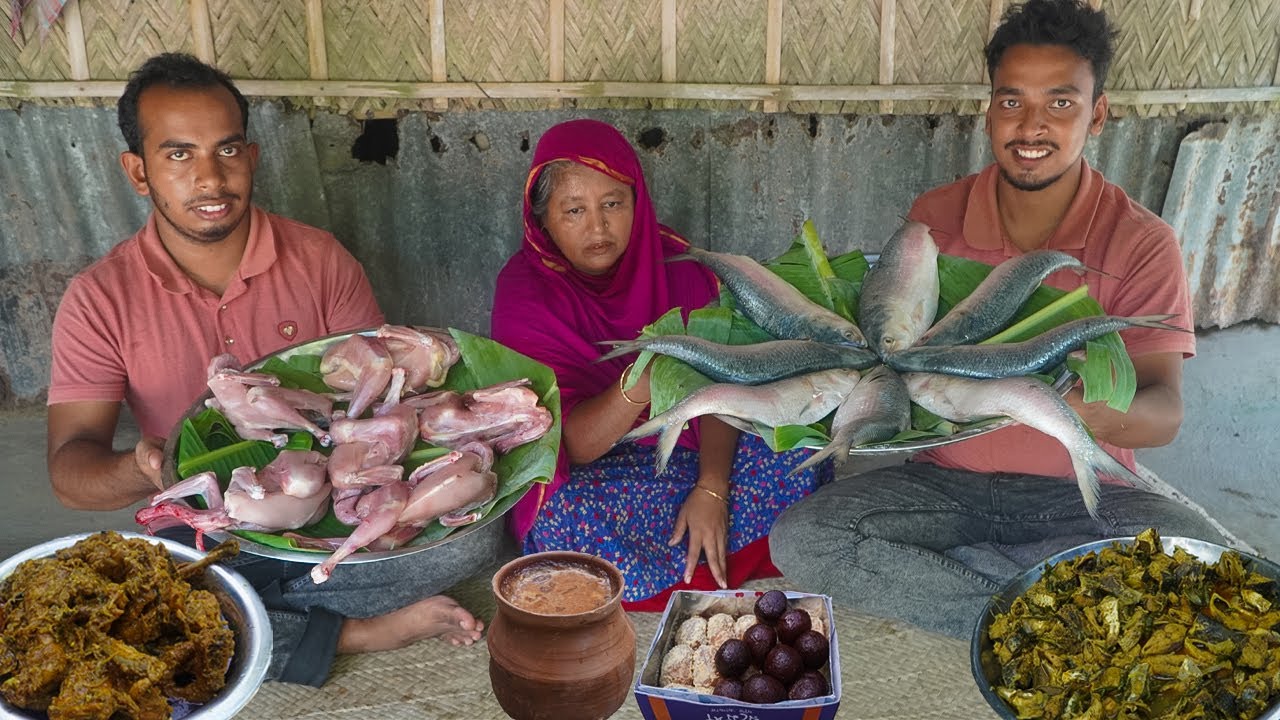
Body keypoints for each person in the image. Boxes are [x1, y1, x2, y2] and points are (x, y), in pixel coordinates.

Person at [770, 0, 1231, 638]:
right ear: (989, 110)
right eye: (1012, 101)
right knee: (805, 538)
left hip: (1080, 497)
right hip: (942, 488)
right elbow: (893, 347)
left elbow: (1164, 412)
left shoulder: (1142, 241)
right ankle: (1047, 615)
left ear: (1097, 114)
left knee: (1209, 567)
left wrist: (1066, 406)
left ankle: (994, 594)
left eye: (1061, 103)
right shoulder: (936, 216)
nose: (1031, 126)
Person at [45, 52, 503, 685]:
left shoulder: (320, 260)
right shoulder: (99, 297)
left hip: (333, 512)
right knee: (130, 611)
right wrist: (144, 466)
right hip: (208, 528)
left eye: (227, 150)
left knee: (478, 538)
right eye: (179, 154)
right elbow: (71, 473)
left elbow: (380, 402)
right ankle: (357, 631)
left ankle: (265, 624)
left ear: (252, 156)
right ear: (138, 171)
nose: (211, 177)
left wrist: (385, 450)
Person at [490, 119, 832, 610]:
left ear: (638, 201)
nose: (598, 228)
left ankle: (701, 538)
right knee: (563, 519)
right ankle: (710, 557)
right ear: (542, 218)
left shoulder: (678, 264)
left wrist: (711, 487)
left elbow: (724, 385)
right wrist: (645, 379)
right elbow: (570, 447)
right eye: (574, 210)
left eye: (613, 204)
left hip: (698, 444)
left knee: (799, 447)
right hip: (597, 469)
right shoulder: (524, 293)